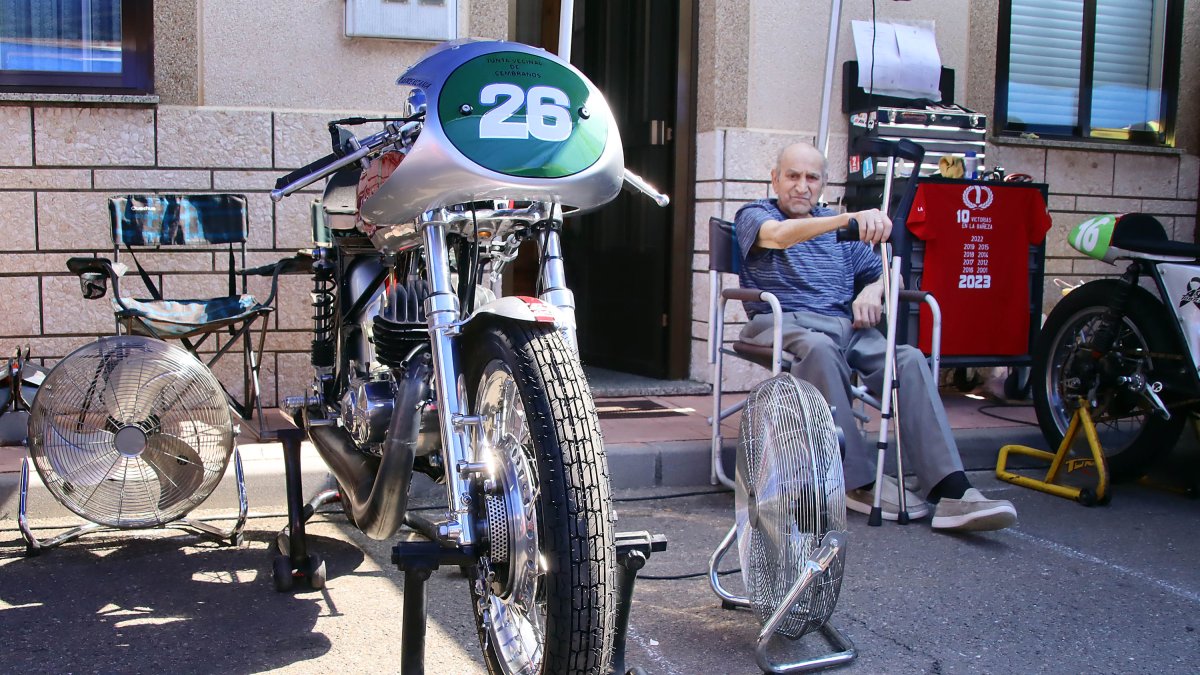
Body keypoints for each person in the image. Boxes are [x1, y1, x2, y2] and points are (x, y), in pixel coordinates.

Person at [734, 141, 1017, 532]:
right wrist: (844, 220)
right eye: (793, 176)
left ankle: (952, 490)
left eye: (811, 177)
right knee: (819, 349)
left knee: (908, 358)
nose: (801, 186)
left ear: (823, 184)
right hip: (780, 320)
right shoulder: (755, 214)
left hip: (842, 324)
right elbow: (780, 236)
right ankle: (855, 480)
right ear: (775, 179)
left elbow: (889, 273)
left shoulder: (840, 228)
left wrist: (874, 289)